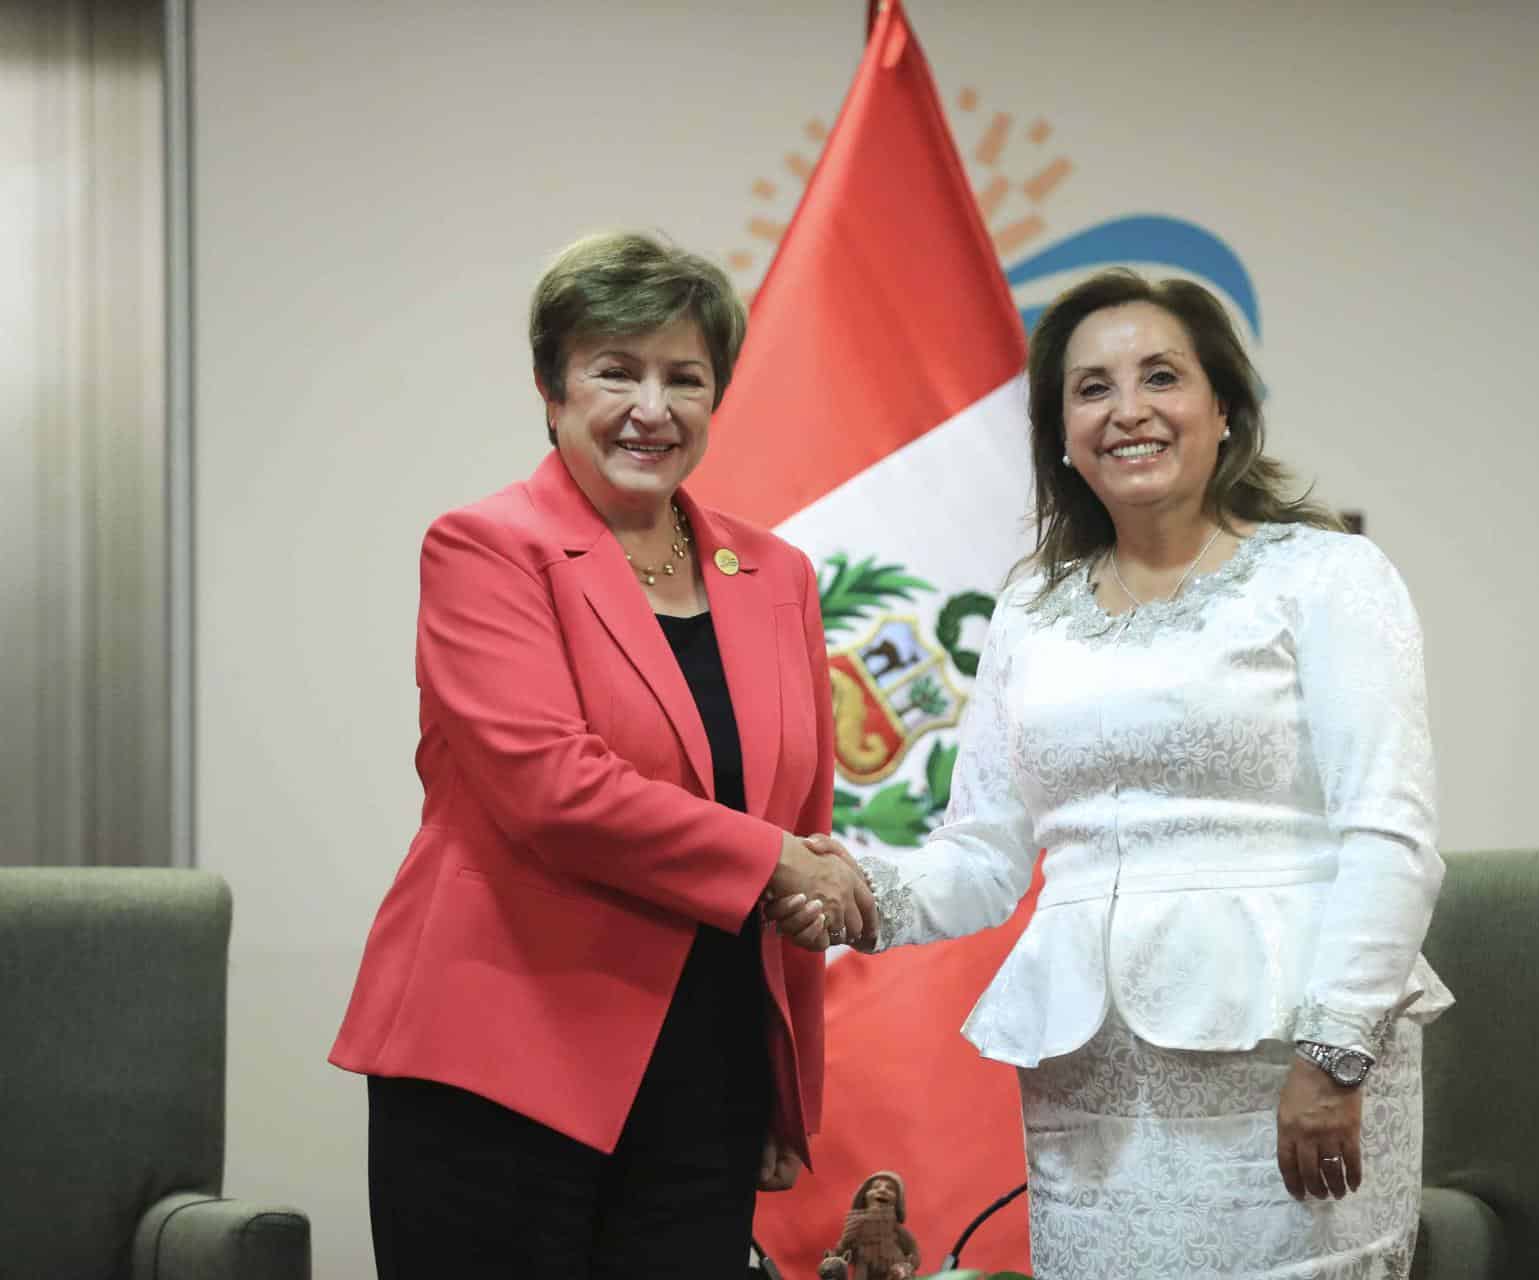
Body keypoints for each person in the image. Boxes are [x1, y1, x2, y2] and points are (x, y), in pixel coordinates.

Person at [791, 269, 1453, 1278]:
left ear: (1223, 407)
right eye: (1092, 388)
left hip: (1291, 1065)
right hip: (1092, 1085)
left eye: (1161, 376)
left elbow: (1389, 833)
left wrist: (1335, 1050)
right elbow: (983, 854)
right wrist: (849, 890)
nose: (1129, 409)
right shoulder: (1029, 609)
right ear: (1059, 431)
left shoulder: (1325, 576)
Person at [329, 230, 873, 1279]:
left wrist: (779, 1070)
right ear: (551, 385)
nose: (652, 407)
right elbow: (556, 790)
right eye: (615, 371)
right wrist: (777, 865)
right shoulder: (486, 546)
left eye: (686, 377)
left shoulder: (779, 573)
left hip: (705, 1072)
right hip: (501, 1057)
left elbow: (802, 817)